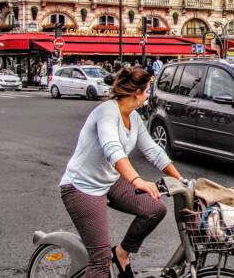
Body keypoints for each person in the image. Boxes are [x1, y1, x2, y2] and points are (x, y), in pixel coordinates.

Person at [59, 67, 185, 278]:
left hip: (109, 181)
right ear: (137, 93)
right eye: (147, 91)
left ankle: (122, 253)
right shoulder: (107, 112)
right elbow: (113, 150)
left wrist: (181, 180)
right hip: (81, 188)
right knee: (100, 262)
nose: (148, 96)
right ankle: (107, 260)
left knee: (154, 208)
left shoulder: (133, 117)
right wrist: (137, 180)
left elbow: (153, 151)